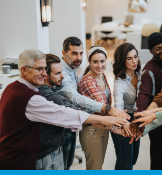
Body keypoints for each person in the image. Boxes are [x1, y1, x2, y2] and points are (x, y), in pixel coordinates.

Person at [0, 49, 128, 170]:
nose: (44, 74)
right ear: (24, 70)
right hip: (25, 159)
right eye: (39, 69)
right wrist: (109, 120)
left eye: (45, 69)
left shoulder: (12, 87)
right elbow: (66, 114)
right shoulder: (30, 98)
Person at [55, 37, 130, 170]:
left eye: (81, 53)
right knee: (89, 167)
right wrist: (110, 110)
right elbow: (76, 98)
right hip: (85, 127)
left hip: (96, 125)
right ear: (64, 53)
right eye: (74, 53)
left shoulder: (95, 75)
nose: (78, 57)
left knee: (89, 165)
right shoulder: (68, 75)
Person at [135, 32, 162, 170]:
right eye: (158, 48)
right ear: (151, 51)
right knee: (157, 159)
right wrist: (140, 117)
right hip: (158, 123)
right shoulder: (148, 70)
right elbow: (144, 94)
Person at [78, 46, 126, 170]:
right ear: (89, 61)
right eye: (95, 62)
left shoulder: (102, 76)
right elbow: (97, 109)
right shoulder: (87, 81)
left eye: (102, 61)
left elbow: (106, 106)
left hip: (103, 127)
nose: (100, 65)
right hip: (92, 130)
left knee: (97, 166)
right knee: (94, 168)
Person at [111, 43, 142, 170]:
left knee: (133, 159)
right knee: (125, 162)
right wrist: (124, 122)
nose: (134, 61)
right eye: (129, 58)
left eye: (135, 57)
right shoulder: (120, 81)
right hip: (122, 118)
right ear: (122, 60)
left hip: (136, 118)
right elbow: (118, 105)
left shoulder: (141, 75)